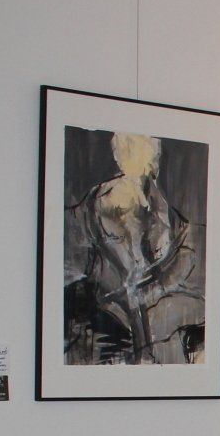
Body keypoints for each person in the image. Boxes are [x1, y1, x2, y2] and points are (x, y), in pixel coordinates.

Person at [65, 130, 203, 365]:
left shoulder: (177, 230)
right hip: (106, 337)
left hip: (157, 349)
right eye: (128, 150)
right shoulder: (89, 215)